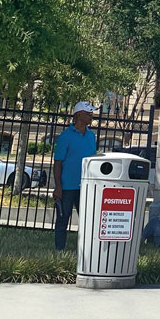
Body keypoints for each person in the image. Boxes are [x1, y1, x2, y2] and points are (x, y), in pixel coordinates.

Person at [52, 101, 98, 250]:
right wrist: (58, 186)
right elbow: (58, 163)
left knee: (87, 220)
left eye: (91, 113)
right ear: (78, 115)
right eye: (88, 113)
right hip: (67, 187)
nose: (91, 116)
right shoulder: (66, 136)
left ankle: (86, 249)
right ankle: (60, 249)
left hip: (85, 186)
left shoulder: (91, 136)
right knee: (62, 219)